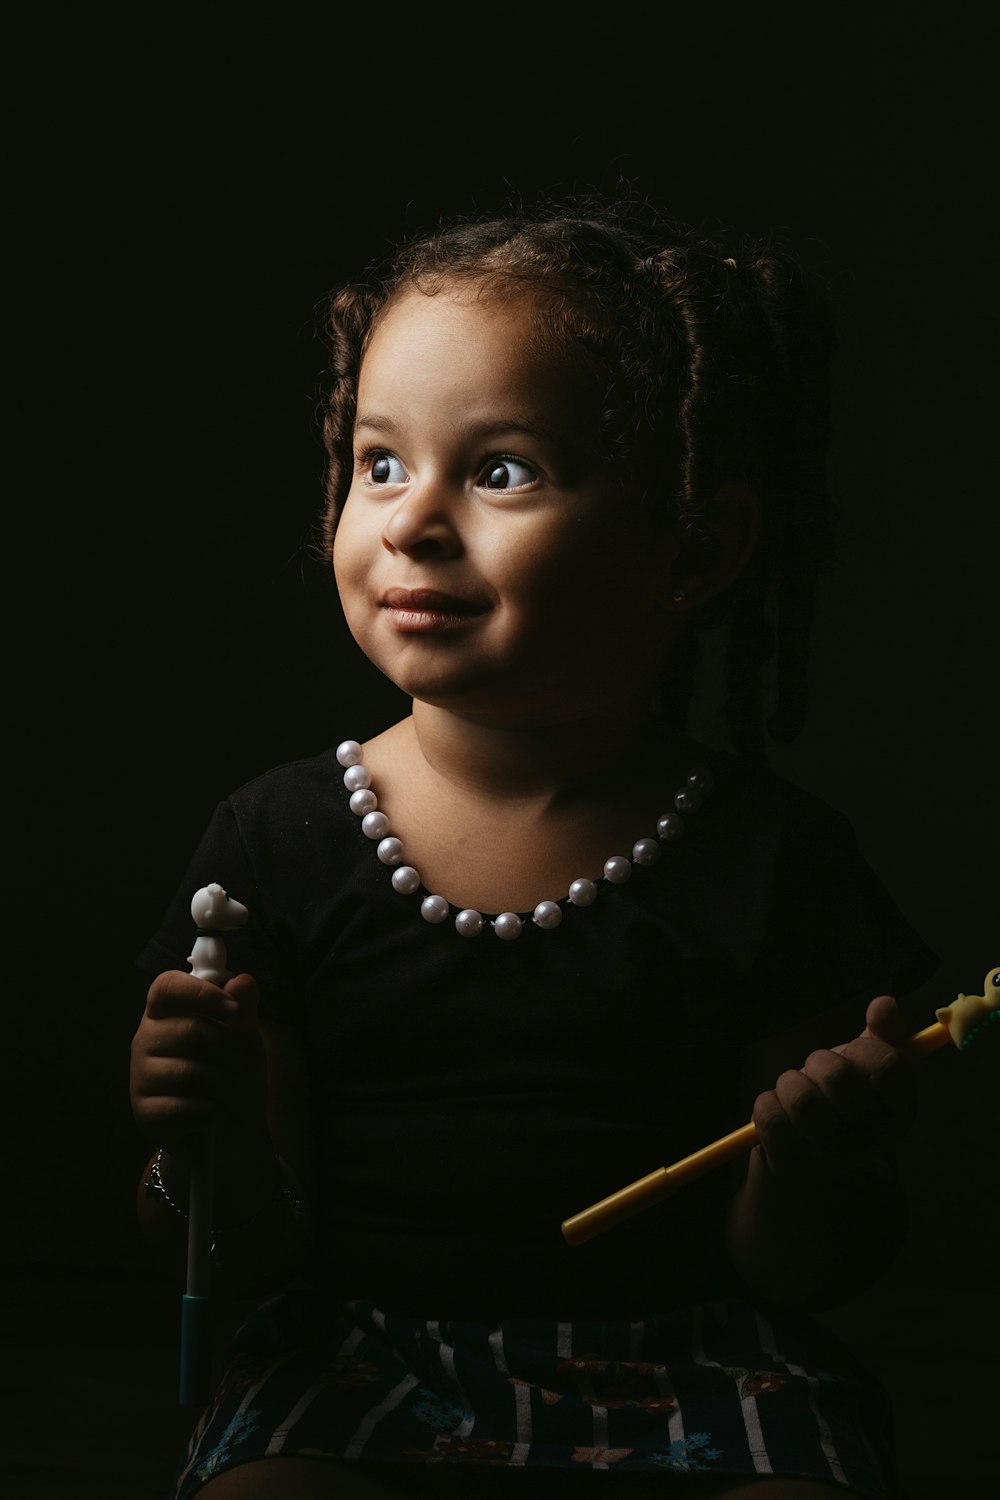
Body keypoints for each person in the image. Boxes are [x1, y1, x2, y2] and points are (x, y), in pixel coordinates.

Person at [130, 195, 938, 1499]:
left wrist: (811, 1161)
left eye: (501, 470)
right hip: (367, 1364)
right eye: (381, 463)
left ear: (693, 547)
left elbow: (808, 1271)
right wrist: (203, 1140)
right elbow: (242, 1256)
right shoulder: (271, 842)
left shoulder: (768, 860)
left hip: (695, 1363)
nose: (412, 519)